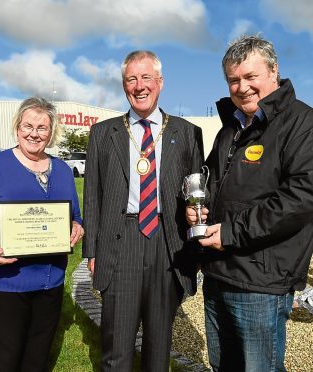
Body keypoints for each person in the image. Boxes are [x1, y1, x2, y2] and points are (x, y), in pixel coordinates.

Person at [186, 35, 313, 371]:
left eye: (250, 77)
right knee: (222, 365)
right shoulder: (232, 127)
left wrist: (230, 233)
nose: (242, 88)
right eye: (234, 80)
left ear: (273, 72)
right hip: (219, 270)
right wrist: (198, 205)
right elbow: (211, 179)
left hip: (261, 281)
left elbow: (303, 199)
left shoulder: (304, 125)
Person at [83, 50, 204, 371]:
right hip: (120, 243)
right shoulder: (103, 133)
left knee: (158, 346)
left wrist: (196, 232)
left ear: (160, 82)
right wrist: (92, 252)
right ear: (124, 85)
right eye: (131, 79)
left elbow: (197, 192)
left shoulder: (187, 132)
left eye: (146, 77)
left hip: (168, 244)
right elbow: (92, 194)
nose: (139, 86)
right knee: (116, 348)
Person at [0, 97, 83, 372]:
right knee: (4, 363)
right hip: (1, 284)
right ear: (17, 128)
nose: (34, 133)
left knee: (36, 363)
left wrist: (77, 226)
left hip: (48, 284)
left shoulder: (62, 170)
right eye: (28, 126)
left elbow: (75, 215)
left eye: (42, 128)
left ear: (51, 133)